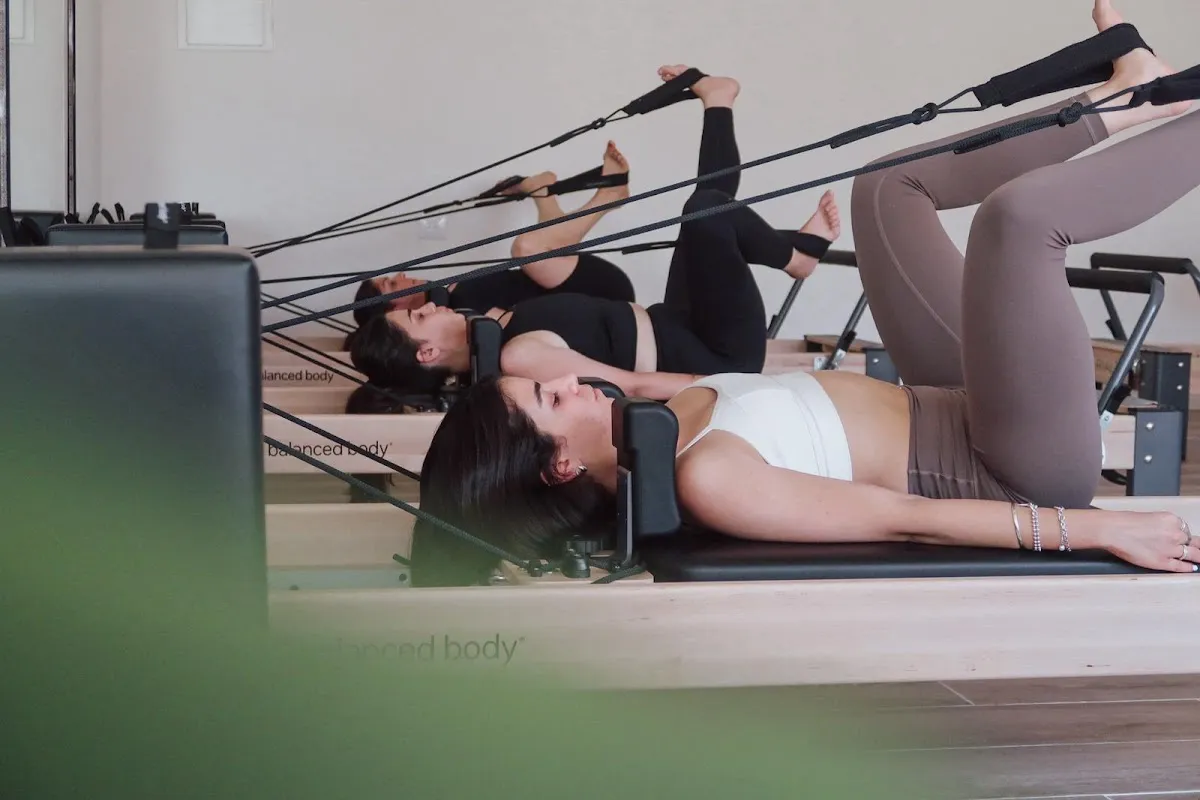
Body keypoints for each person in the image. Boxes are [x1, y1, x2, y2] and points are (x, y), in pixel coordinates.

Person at [410, 1, 1199, 587]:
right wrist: (1093, 529)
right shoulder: (705, 479)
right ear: (558, 466)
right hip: (1010, 464)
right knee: (1018, 221)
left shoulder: (653, 423)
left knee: (887, 188)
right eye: (548, 400)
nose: (568, 382)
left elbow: (641, 379)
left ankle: (1132, 95)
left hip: (951, 399)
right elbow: (907, 520)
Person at [348, 65, 842, 398]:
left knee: (703, 212)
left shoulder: (492, 329)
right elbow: (632, 386)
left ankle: (717, 98)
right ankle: (797, 258)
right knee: (707, 208)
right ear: (428, 352)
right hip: (714, 351)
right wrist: (735, 387)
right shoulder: (517, 358)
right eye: (417, 319)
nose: (427, 305)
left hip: (677, 320)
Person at [350, 160, 638, 328]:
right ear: (394, 311)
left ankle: (542, 192)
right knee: (526, 249)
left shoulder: (449, 293)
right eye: (391, 284)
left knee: (543, 247)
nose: (401, 275)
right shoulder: (458, 315)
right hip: (599, 301)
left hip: (579, 282)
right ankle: (606, 196)